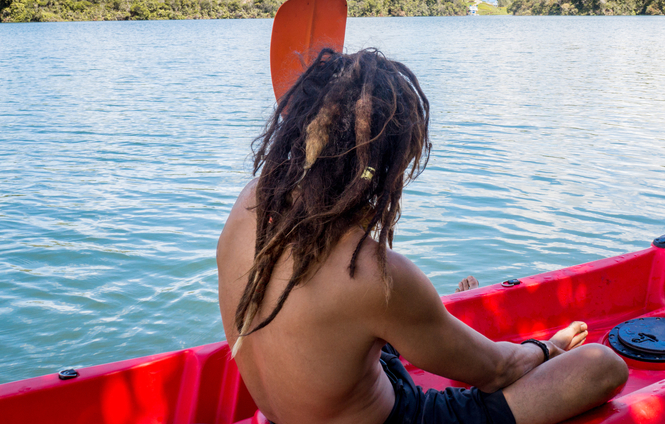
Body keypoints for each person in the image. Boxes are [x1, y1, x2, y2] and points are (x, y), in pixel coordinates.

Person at [217, 48, 628, 424]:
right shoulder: (373, 275)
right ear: (388, 164)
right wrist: (546, 350)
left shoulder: (250, 203)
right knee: (601, 365)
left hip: (280, 413)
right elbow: (499, 372)